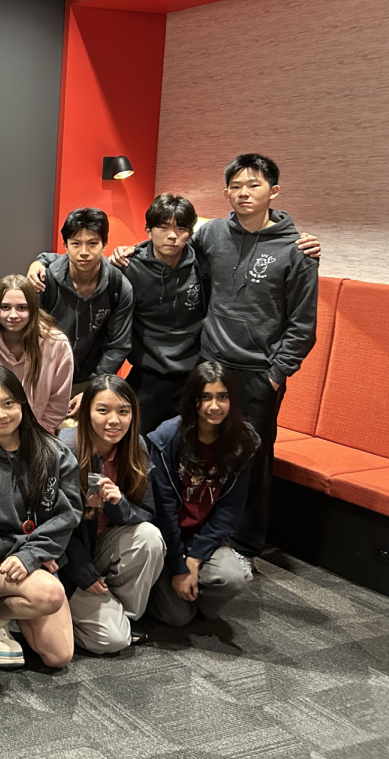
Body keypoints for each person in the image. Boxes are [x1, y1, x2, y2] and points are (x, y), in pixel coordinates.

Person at [109, 155, 319, 561]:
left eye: (254, 185)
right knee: (198, 452)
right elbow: (170, 241)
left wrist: (276, 373)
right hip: (209, 366)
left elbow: (303, 325)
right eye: (236, 186)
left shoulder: (297, 250)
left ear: (273, 191)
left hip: (259, 373)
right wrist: (126, 252)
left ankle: (245, 546)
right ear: (226, 192)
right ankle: (190, 532)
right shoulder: (214, 234)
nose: (244, 192)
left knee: (251, 458)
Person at [0, 366, 79, 670]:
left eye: (9, 403)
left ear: (23, 403)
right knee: (50, 594)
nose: (1, 414)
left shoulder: (54, 453)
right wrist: (26, 553)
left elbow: (69, 514)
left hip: (33, 562)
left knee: (58, 656)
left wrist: (32, 555)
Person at [146, 361, 258, 626]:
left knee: (234, 577)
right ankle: (173, 591)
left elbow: (230, 509)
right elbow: (164, 510)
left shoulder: (244, 442)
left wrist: (194, 560)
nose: (214, 406)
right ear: (193, 400)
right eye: (205, 397)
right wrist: (178, 566)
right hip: (167, 540)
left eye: (222, 397)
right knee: (177, 618)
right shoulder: (166, 439)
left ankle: (189, 592)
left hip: (203, 539)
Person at [59, 375, 164, 655]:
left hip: (106, 545)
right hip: (69, 558)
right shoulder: (64, 449)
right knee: (111, 642)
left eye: (123, 411)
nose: (114, 420)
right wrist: (82, 570)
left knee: (150, 538)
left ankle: (122, 616)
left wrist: (119, 504)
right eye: (103, 410)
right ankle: (102, 619)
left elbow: (148, 513)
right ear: (86, 412)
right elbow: (52, 524)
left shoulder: (135, 447)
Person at [25, 208, 133, 415]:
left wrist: (95, 388)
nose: (84, 252)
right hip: (42, 378)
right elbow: (28, 334)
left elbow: (118, 346)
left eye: (92, 243)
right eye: (76, 243)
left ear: (104, 244)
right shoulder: (45, 281)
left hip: (89, 380)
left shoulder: (118, 286)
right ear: (65, 245)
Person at [0, 275, 74, 435]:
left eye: (22, 308)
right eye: (5, 307)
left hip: (40, 432)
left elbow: (58, 401)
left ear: (32, 308)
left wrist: (38, 434)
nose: (13, 315)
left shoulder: (56, 343)